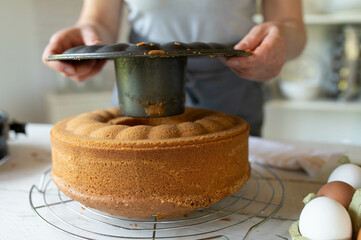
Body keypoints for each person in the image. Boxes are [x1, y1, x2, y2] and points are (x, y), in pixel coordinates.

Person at [42, 0, 306, 136]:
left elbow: (291, 26)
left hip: (233, 85)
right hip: (140, 90)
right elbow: (99, 20)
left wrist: (281, 36)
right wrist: (87, 38)